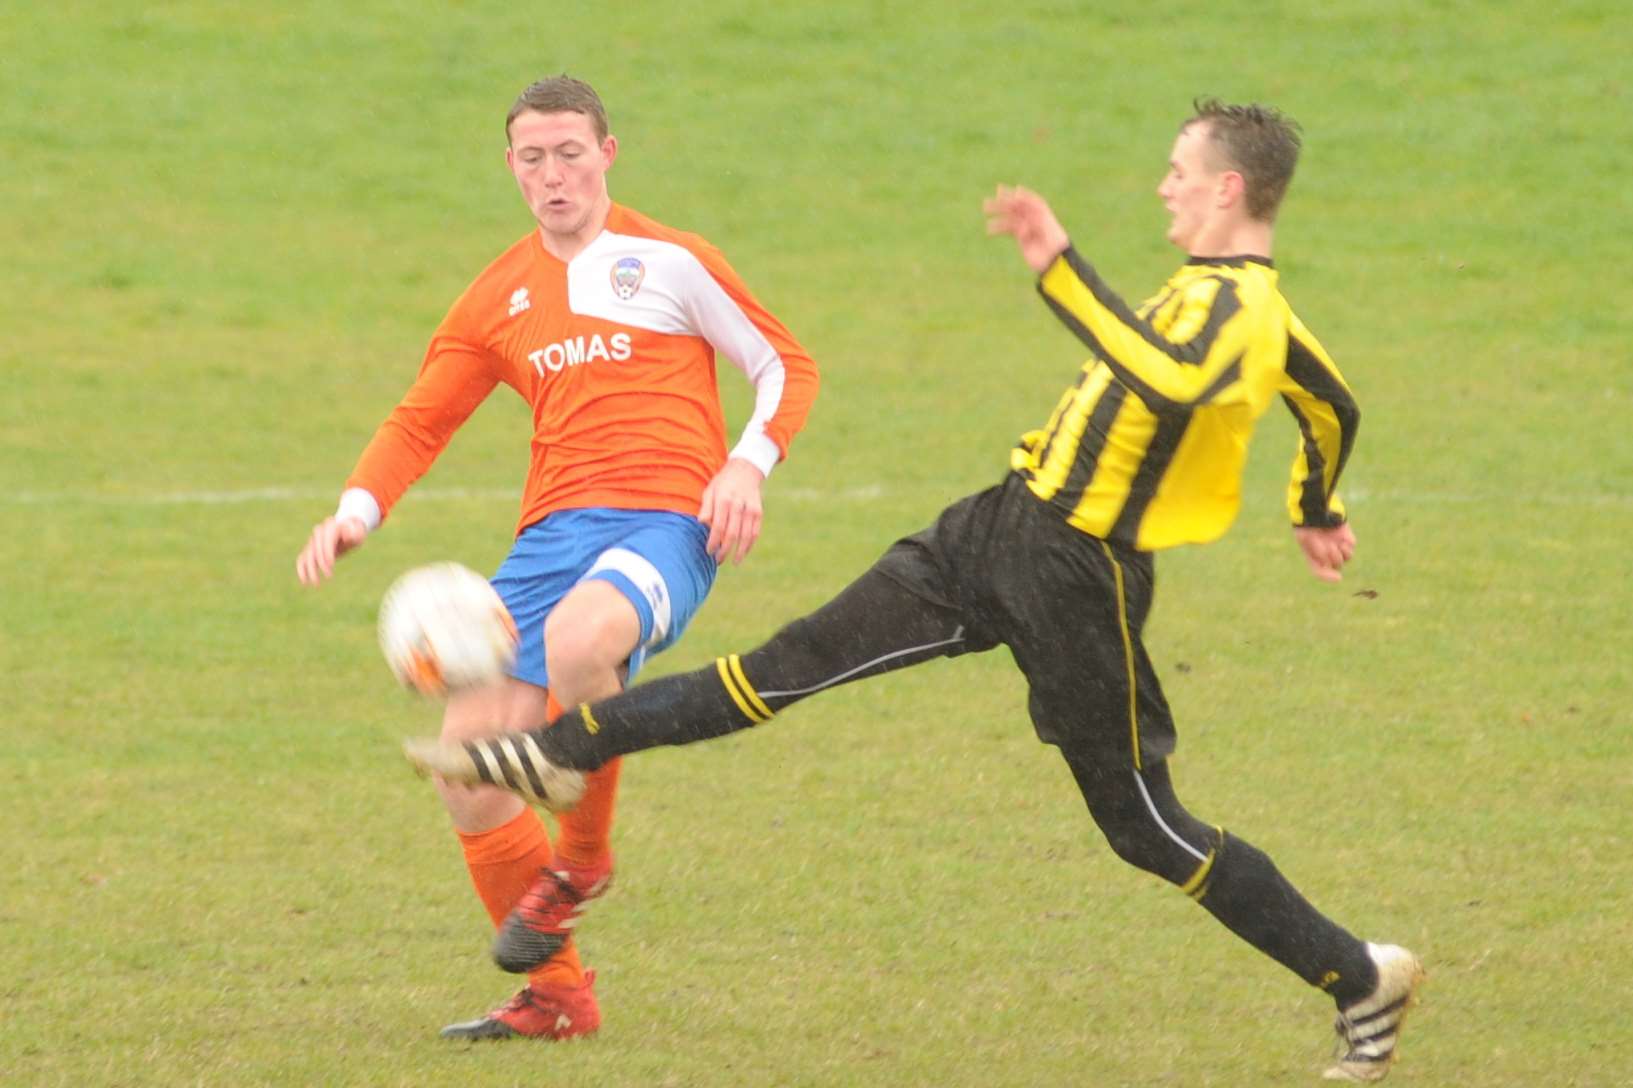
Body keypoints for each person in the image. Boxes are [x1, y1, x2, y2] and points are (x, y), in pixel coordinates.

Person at [406, 99, 1423, 1082]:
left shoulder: (1241, 308)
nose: (1164, 185)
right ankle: (546, 749)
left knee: (1142, 824)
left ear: (1227, 187)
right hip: (996, 525)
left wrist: (1058, 270)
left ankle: (1359, 975)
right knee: (783, 666)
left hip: (1080, 579)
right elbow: (1331, 403)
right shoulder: (1221, 293)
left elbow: (1169, 376)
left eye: (1178, 171)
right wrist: (1315, 505)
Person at [297, 75, 819, 1042]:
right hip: (549, 540)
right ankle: (557, 997)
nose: (553, 173)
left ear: (607, 153)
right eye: (532, 158)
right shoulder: (498, 295)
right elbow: (423, 417)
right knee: (465, 772)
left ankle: (578, 863)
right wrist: (355, 510)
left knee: (586, 644)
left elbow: (786, 364)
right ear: (511, 169)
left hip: (666, 522)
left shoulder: (670, 260)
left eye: (570, 152)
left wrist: (746, 467)